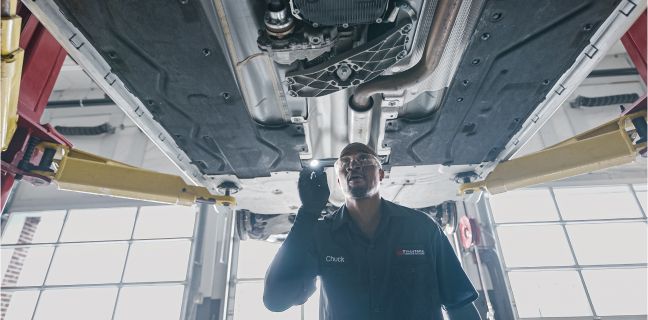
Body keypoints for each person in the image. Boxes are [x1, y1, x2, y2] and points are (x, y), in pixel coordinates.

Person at [263, 142, 482, 320]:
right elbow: (276, 300)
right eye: (345, 162)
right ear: (339, 181)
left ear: (381, 174)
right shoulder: (321, 234)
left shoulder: (422, 228)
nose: (353, 165)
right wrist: (307, 214)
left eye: (363, 159)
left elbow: (459, 303)